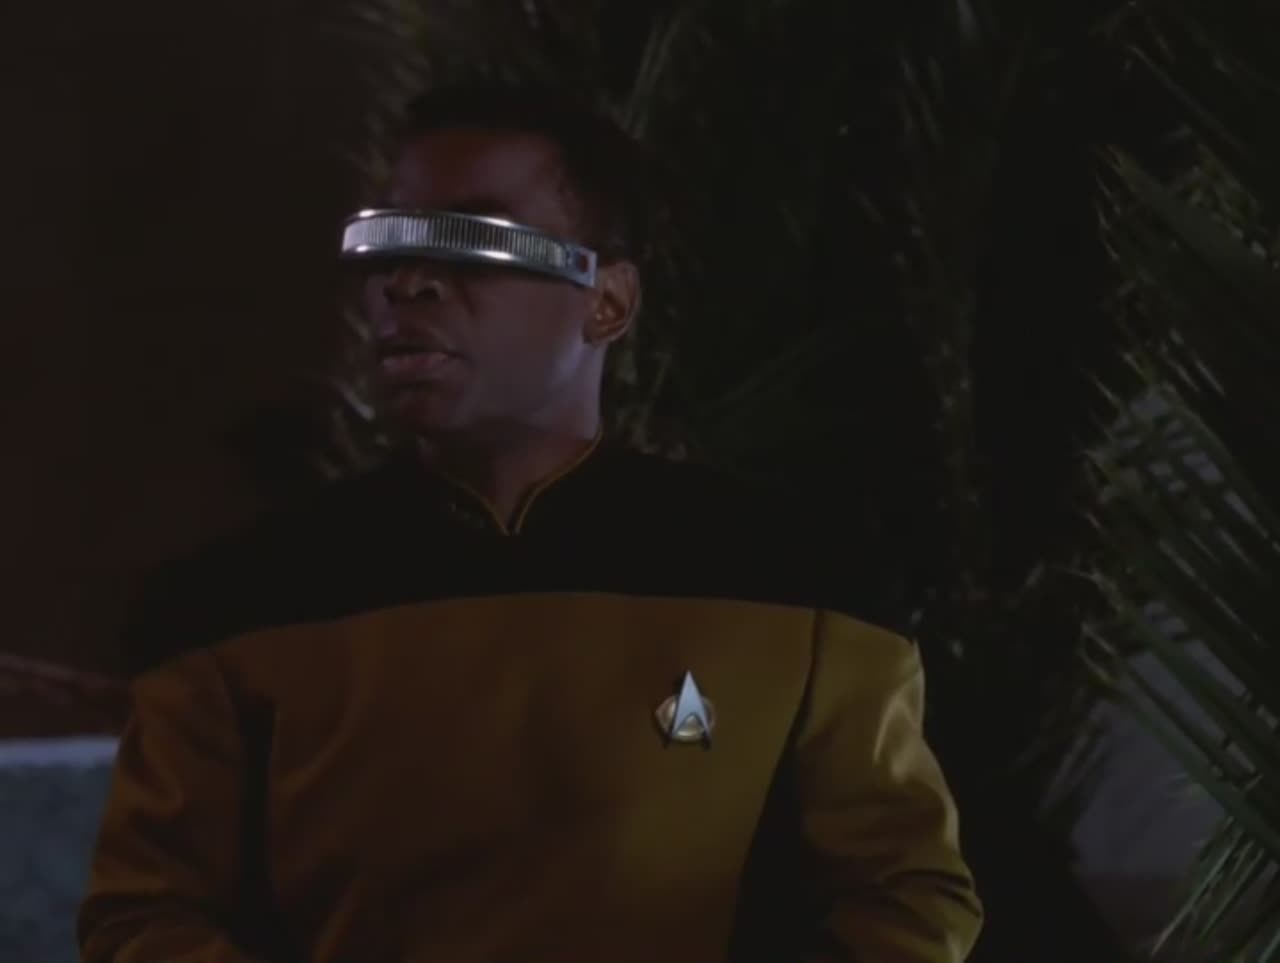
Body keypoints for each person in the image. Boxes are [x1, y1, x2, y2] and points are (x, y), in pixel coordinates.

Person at [79, 83, 983, 963]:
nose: (408, 283)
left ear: (607, 301)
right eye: (388, 245)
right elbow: (146, 918)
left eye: (475, 241)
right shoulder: (230, 609)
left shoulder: (798, 585)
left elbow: (903, 893)